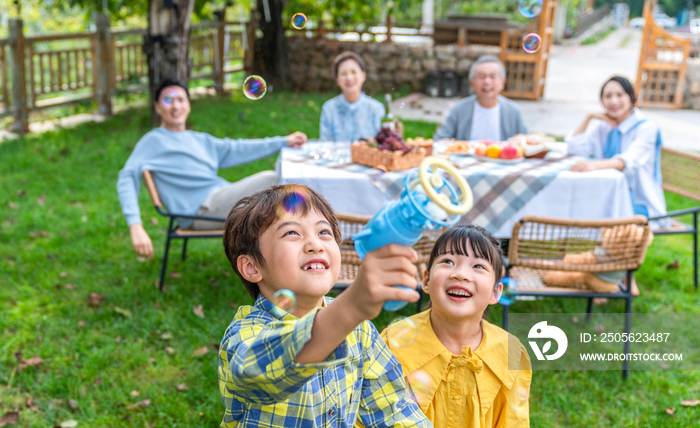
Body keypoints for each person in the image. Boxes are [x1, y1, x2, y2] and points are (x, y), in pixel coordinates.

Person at [218, 184, 431, 428]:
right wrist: (350, 308)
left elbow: (393, 410)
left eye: (324, 233)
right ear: (252, 267)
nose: (315, 244)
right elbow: (260, 374)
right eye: (292, 233)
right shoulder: (245, 335)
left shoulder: (359, 329)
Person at [117, 78, 308, 260]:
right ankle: (293, 255)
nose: (175, 105)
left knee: (284, 178)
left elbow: (238, 148)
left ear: (188, 105)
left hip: (219, 198)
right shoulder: (153, 140)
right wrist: (135, 225)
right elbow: (127, 177)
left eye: (180, 99)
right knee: (272, 180)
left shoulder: (199, 139)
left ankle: (293, 252)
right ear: (157, 108)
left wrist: (283, 142)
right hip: (200, 211)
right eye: (168, 100)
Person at [382, 225, 531, 428]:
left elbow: (513, 423)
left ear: (496, 292)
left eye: (478, 266)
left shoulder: (511, 354)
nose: (460, 274)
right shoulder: (391, 344)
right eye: (448, 261)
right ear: (426, 280)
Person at [566, 75, 667, 221]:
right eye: (607, 96)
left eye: (620, 95)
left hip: (639, 204)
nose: (614, 101)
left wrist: (593, 165)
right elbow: (574, 148)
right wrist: (589, 117)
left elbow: (627, 162)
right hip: (607, 196)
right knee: (573, 208)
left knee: (582, 214)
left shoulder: (646, 127)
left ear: (631, 97)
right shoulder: (603, 126)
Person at [434, 55, 528, 142]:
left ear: (502, 82)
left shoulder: (514, 111)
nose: (487, 82)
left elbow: (526, 142)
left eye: (493, 76)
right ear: (471, 83)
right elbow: (439, 139)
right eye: (481, 76)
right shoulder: (458, 110)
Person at [320, 52, 385, 142]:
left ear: (363, 75)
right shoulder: (329, 109)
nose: (349, 78)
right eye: (343, 73)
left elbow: (383, 145)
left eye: (354, 72)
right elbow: (325, 145)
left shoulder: (376, 109)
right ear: (337, 79)